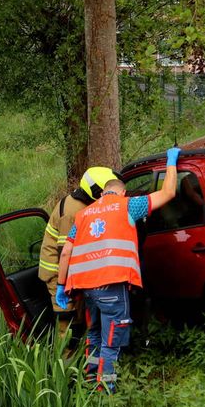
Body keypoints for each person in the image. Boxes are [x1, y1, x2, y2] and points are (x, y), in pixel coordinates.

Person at [57, 148, 181, 392]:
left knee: (94, 335)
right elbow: (168, 193)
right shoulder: (128, 206)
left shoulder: (83, 215)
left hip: (87, 290)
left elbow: (65, 253)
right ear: (122, 192)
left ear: (102, 193)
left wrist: (62, 286)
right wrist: (171, 161)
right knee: (111, 342)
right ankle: (106, 390)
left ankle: (91, 379)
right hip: (112, 286)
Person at [38, 166, 116, 345]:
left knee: (81, 317)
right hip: (58, 273)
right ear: (95, 191)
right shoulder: (72, 213)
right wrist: (62, 284)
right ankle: (66, 365)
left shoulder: (85, 204)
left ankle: (83, 357)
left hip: (72, 271)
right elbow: (65, 252)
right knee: (67, 320)